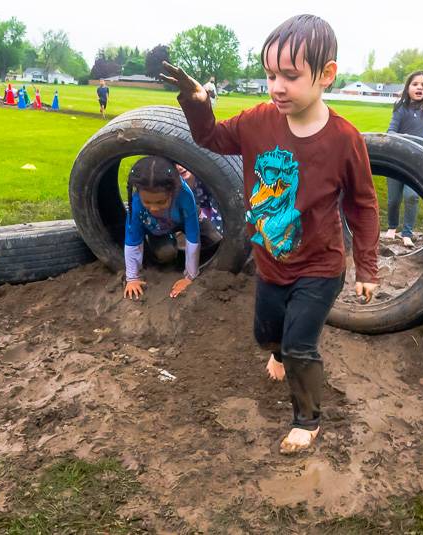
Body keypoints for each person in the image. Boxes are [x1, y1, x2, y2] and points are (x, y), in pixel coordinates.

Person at [161, 14, 380, 454]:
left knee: (301, 344)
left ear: (327, 75)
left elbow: (363, 204)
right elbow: (210, 139)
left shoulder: (344, 139)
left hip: (320, 265)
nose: (276, 86)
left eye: (291, 76)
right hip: (271, 261)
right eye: (270, 74)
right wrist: (198, 102)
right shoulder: (258, 121)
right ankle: (277, 350)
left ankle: (307, 419)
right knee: (268, 335)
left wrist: (367, 267)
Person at [123, 156, 201, 300]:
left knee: (211, 238)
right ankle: (168, 241)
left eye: (161, 202)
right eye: (147, 202)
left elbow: (192, 235)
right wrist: (132, 278)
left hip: (181, 220)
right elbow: (132, 238)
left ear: (173, 192)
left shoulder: (184, 195)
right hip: (157, 229)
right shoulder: (136, 203)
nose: (154, 208)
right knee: (166, 253)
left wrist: (190, 277)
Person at [384, 70, 423, 248]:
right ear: (408, 87)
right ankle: (392, 227)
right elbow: (390, 131)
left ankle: (407, 232)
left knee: (412, 196)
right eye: (415, 84)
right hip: (396, 160)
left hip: (416, 162)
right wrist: (404, 140)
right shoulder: (400, 108)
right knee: (394, 199)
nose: (419, 87)